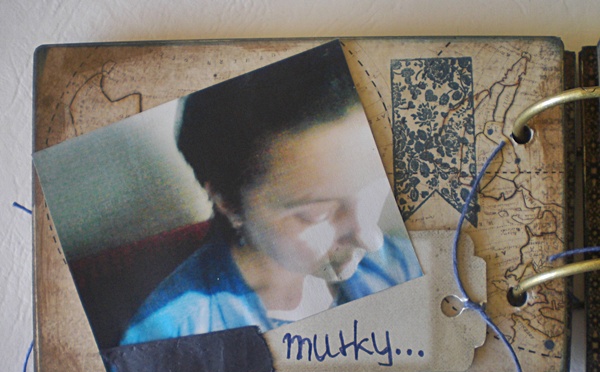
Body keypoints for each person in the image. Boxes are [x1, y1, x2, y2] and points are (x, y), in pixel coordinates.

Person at [120, 41, 421, 346]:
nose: (371, 239)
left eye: (375, 187)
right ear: (228, 203)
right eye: (316, 214)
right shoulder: (171, 340)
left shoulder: (403, 263)